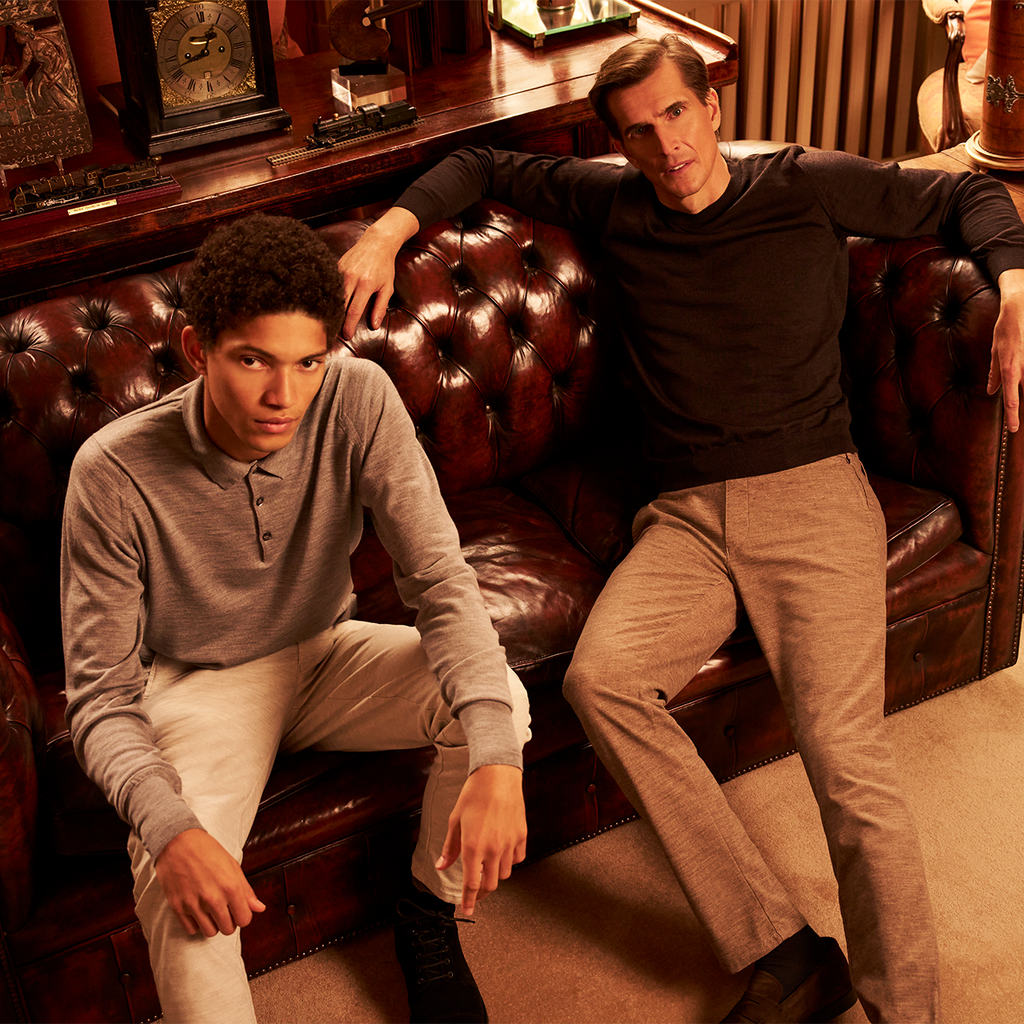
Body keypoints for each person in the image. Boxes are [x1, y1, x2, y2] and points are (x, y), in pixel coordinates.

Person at [336, 33, 1024, 1024]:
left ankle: (903, 1008)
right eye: (635, 132)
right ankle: (783, 951)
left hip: (809, 491)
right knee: (599, 681)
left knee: (844, 759)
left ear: (709, 108)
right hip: (684, 518)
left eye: (674, 115)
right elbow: (481, 161)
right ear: (615, 145)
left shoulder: (800, 184)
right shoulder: (611, 200)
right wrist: (385, 232)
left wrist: (1010, 284)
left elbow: (971, 194)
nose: (663, 145)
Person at [61, 212, 531, 1024]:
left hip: (326, 653)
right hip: (199, 688)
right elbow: (100, 699)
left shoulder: (357, 396)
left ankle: (427, 911)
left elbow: (441, 582)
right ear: (198, 347)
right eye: (254, 361)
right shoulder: (111, 472)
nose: (285, 397)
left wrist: (497, 759)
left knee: (502, 710)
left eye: (308, 362)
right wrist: (169, 829)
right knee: (182, 899)